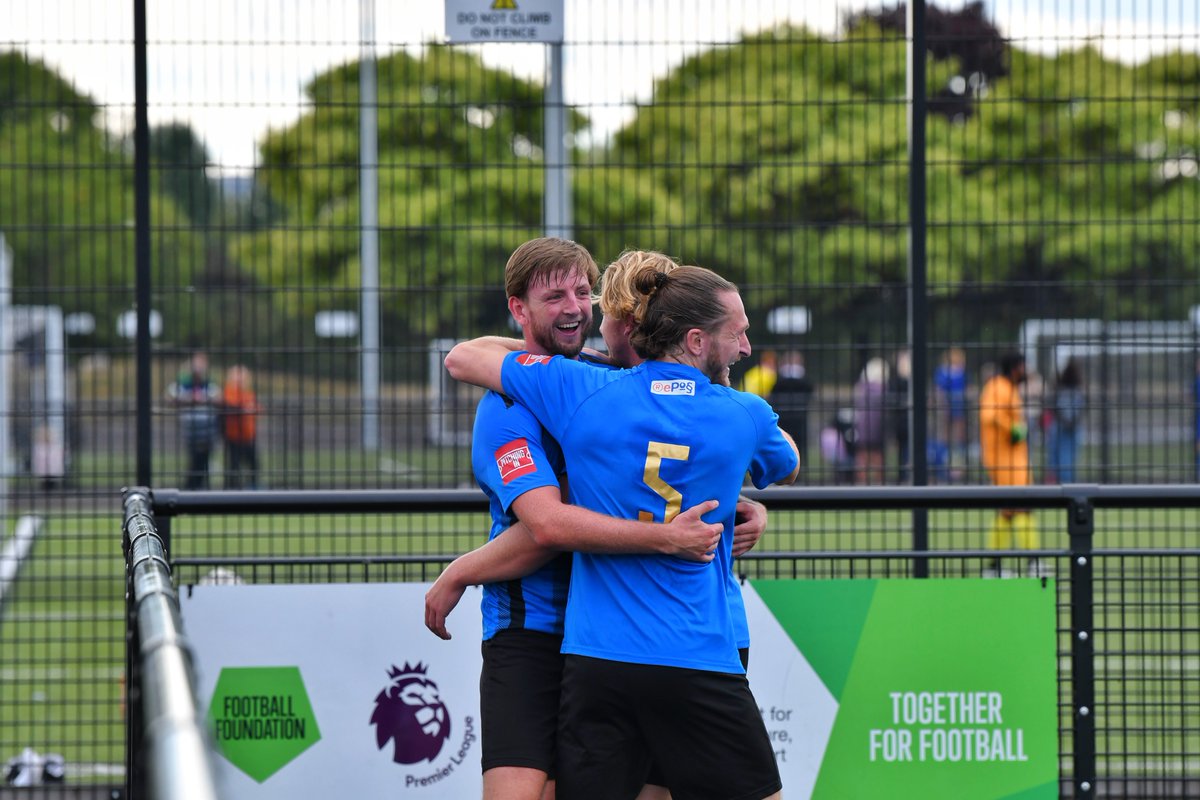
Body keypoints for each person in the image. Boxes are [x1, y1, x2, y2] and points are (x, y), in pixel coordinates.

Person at [426, 246, 768, 800]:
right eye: (554, 296)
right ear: (519, 307)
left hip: (608, 637)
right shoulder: (510, 406)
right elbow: (546, 528)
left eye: (583, 293)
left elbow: (699, 463)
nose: (575, 307)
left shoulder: (608, 381)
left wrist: (744, 506)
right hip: (533, 628)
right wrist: (462, 571)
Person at [978, 351, 1043, 577]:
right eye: (1023, 366)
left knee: (1007, 510)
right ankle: (1033, 562)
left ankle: (994, 566)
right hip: (1004, 460)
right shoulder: (998, 386)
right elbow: (989, 415)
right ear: (1015, 367)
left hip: (1012, 459)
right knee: (1023, 506)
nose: (1025, 371)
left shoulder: (1008, 388)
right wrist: (1013, 428)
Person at [167, 352, 221, 489]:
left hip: (207, 428)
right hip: (191, 429)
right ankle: (192, 486)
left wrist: (201, 399)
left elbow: (218, 398)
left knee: (204, 458)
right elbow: (171, 397)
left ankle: (199, 486)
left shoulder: (209, 383)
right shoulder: (184, 383)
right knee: (195, 459)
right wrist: (191, 399)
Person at [767, 351, 814, 477]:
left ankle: (783, 473)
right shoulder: (804, 380)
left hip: (784, 415)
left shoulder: (779, 379)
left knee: (783, 444)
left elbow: (773, 395)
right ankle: (799, 473)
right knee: (799, 445)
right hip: (799, 416)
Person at [221, 365, 260, 489]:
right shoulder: (228, 392)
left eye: (243, 376)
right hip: (234, 436)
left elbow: (256, 409)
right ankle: (232, 488)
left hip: (249, 435)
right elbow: (230, 406)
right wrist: (244, 409)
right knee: (234, 465)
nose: (240, 379)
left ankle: (253, 486)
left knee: (254, 463)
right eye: (237, 376)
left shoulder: (248, 393)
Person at [934, 347, 969, 480]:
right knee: (954, 439)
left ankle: (950, 468)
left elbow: (939, 390)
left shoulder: (943, 372)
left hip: (950, 408)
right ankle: (954, 468)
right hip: (954, 408)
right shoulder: (957, 372)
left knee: (949, 439)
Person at [853, 357, 889, 484]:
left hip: (862, 425)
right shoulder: (883, 388)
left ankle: (862, 481)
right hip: (877, 426)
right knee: (877, 455)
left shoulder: (861, 387)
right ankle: (879, 483)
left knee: (862, 454)